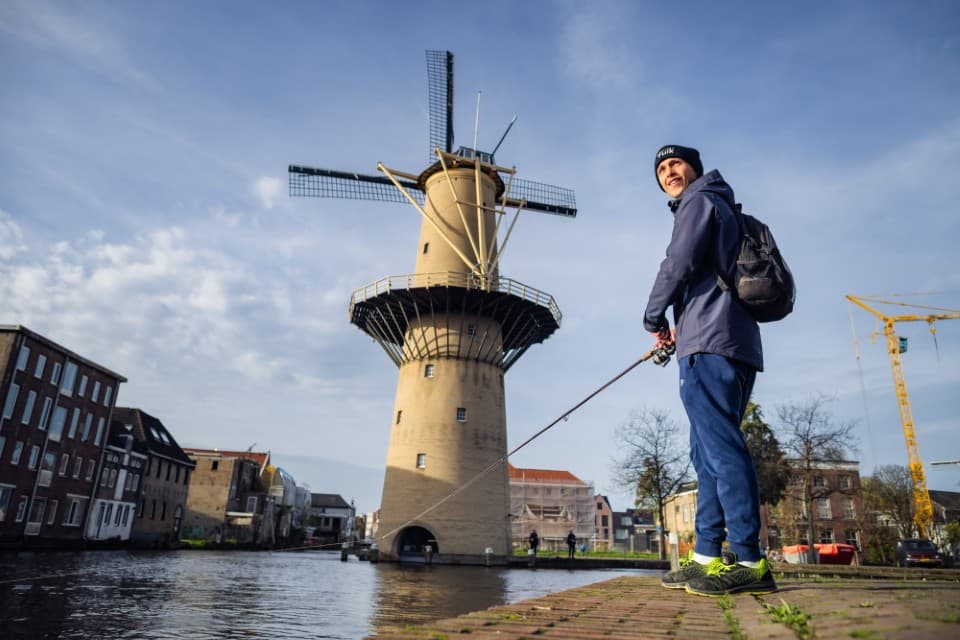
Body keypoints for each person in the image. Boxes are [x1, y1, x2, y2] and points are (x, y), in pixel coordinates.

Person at [644, 145, 777, 597]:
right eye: (661, 169)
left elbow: (676, 264)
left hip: (709, 344)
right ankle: (706, 556)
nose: (668, 172)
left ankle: (749, 559)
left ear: (694, 169)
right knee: (706, 454)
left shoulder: (699, 202)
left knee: (720, 450)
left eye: (675, 163)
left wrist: (653, 317)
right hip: (733, 341)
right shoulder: (723, 207)